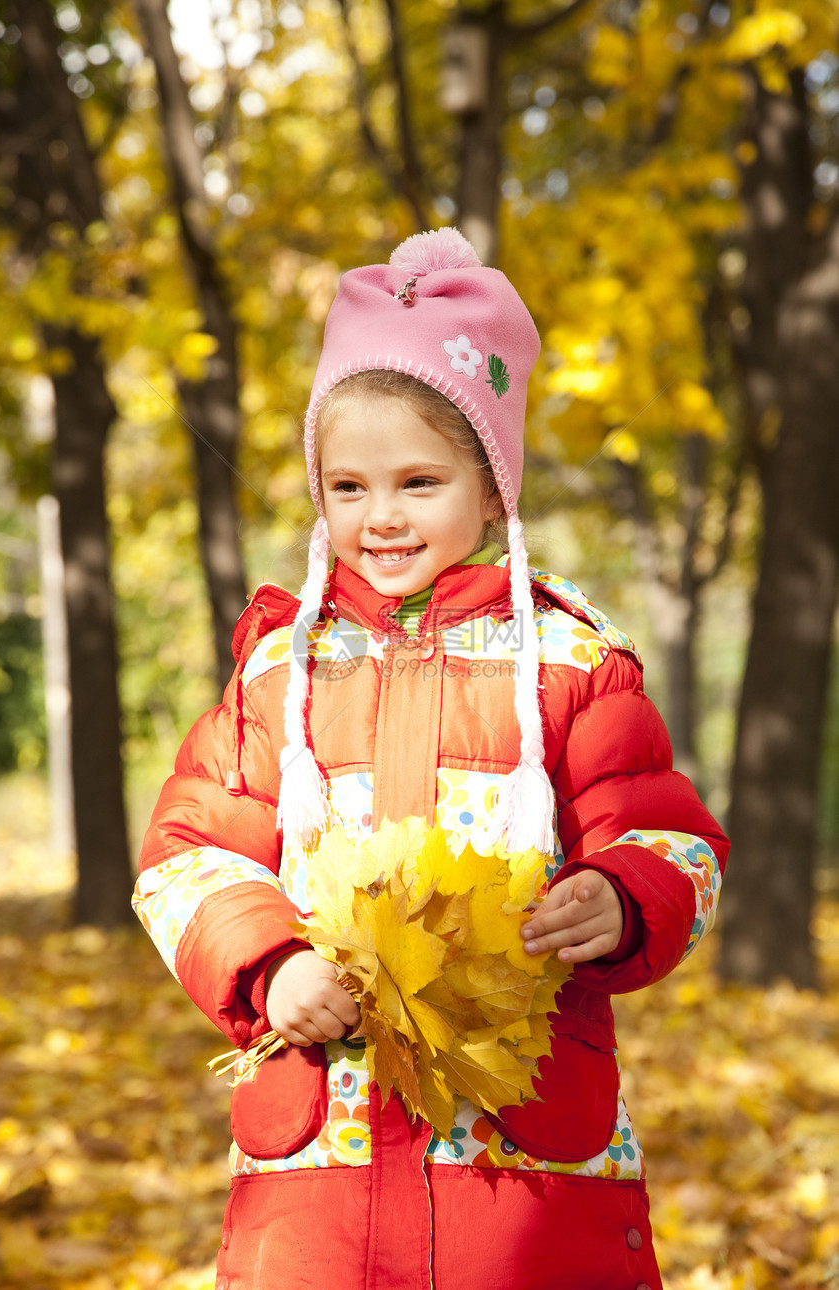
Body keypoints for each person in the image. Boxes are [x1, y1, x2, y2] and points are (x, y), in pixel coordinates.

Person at [133, 227, 729, 1290]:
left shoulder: (568, 664)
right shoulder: (282, 673)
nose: (382, 516)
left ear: (491, 486)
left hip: (516, 1147)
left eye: (418, 481)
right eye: (348, 487)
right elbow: (184, 853)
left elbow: (668, 832)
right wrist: (269, 965)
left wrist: (622, 892)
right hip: (330, 1137)